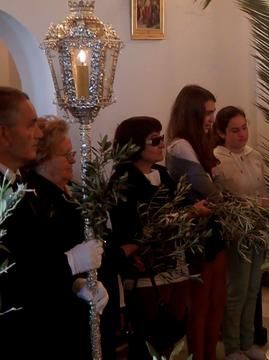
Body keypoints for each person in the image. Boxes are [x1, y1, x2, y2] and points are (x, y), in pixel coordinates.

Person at [0, 91, 106, 358]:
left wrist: (73, 283)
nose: (38, 134)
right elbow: (10, 276)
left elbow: (33, 257)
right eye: (31, 124)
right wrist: (68, 263)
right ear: (4, 135)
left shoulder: (16, 185)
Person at [108, 116, 211, 358]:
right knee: (149, 332)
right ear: (134, 145)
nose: (161, 144)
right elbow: (140, 225)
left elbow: (179, 207)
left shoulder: (162, 174)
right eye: (155, 140)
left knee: (175, 328)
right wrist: (189, 213)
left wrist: (194, 210)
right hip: (146, 266)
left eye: (161, 138)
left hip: (174, 259)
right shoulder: (122, 180)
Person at [166, 84, 226, 360]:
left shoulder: (200, 142)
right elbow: (206, 187)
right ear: (192, 114)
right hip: (196, 231)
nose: (212, 118)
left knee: (217, 302)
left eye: (213, 111)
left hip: (212, 226)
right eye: (208, 112)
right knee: (200, 306)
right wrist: (230, 202)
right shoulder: (180, 145)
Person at [213, 106, 269, 360]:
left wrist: (266, 205)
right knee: (236, 290)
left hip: (257, 230)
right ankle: (232, 346)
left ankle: (248, 341)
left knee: (253, 288)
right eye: (234, 130)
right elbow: (221, 200)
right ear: (221, 132)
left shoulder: (255, 155)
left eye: (244, 128)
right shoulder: (216, 159)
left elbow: (262, 190)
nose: (241, 135)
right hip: (235, 232)